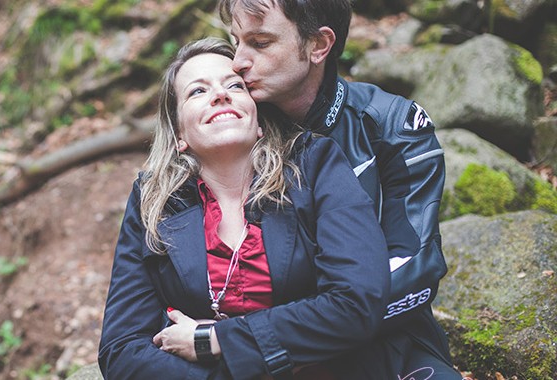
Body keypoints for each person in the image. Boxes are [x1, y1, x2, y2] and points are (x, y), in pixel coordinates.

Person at [99, 37, 415, 379]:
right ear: (179, 133)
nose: (220, 95)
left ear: (259, 118)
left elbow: (356, 303)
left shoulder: (315, 166)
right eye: (197, 92)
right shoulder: (154, 201)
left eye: (234, 85)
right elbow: (121, 349)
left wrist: (215, 340)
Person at [218, 0, 460, 377]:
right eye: (236, 41)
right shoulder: (229, 129)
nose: (237, 62)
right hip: (253, 353)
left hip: (388, 342)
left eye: (260, 43)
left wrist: (292, 335)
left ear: (318, 45)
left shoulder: (392, 126)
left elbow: (416, 271)